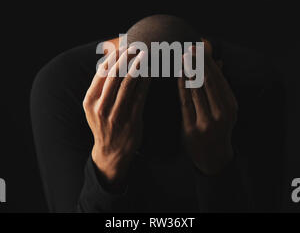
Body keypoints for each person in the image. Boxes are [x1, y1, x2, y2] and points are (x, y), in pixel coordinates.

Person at [30, 15, 285, 212]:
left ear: (215, 70)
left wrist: (216, 163)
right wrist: (107, 161)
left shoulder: (254, 84)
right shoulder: (64, 86)